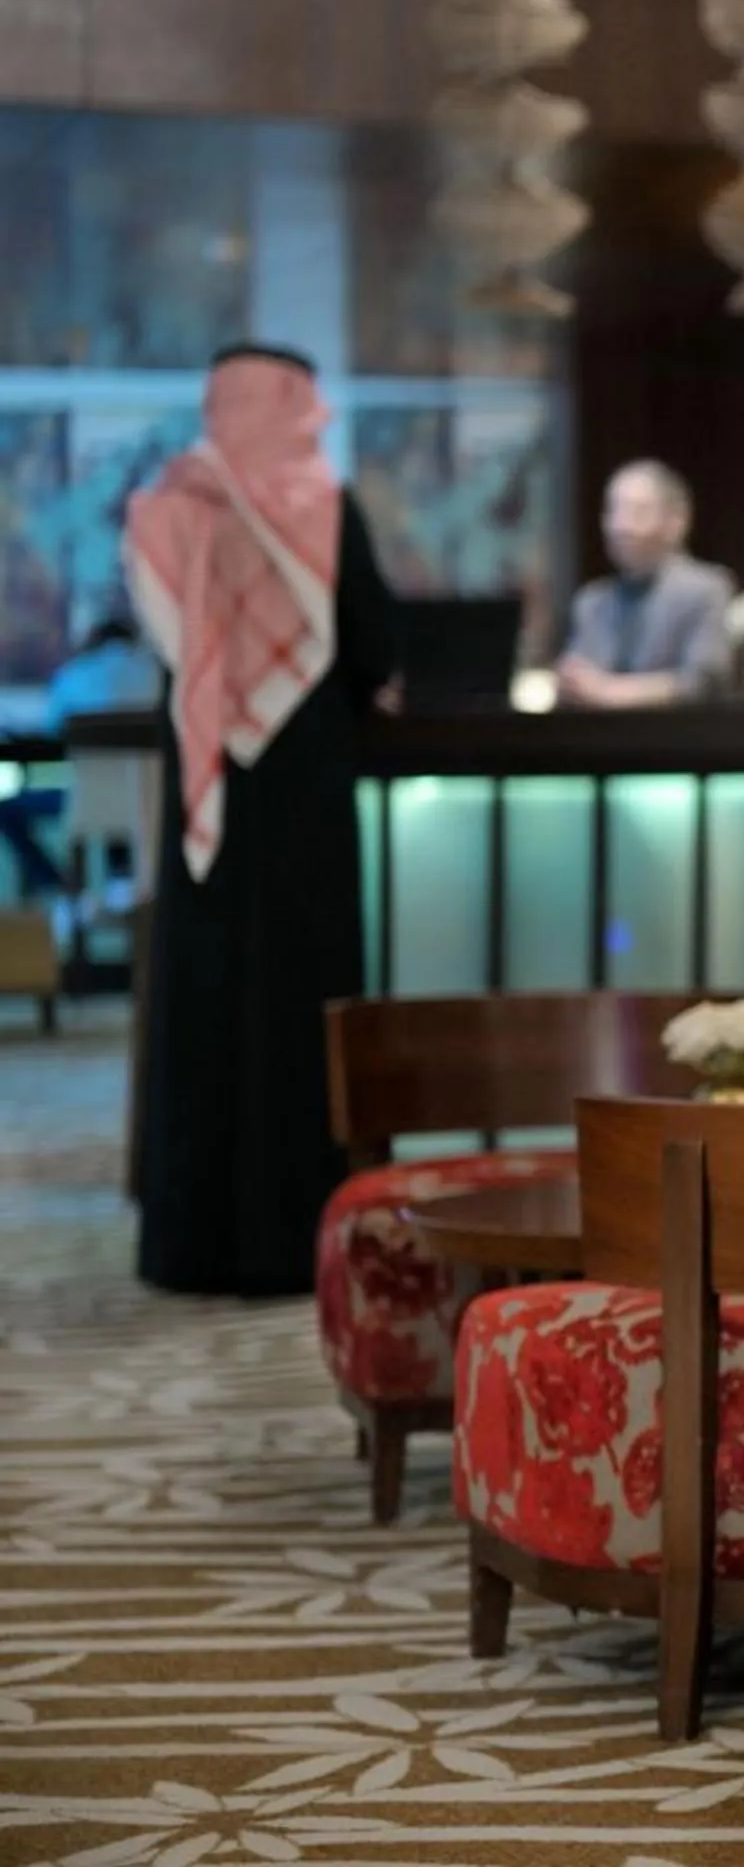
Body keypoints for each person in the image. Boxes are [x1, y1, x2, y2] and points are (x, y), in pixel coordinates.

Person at [125, 344, 399, 1297]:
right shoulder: (322, 506)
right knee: (302, 1004)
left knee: (201, 999)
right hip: (306, 789)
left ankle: (187, 1247)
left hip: (205, 780)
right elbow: (375, 644)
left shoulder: (168, 504)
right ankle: (296, 1247)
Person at [554, 459, 733, 707]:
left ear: (676, 521)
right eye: (613, 510)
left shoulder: (706, 589)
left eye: (637, 512)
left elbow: (703, 682)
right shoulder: (592, 602)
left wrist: (610, 692)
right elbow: (576, 684)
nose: (620, 526)